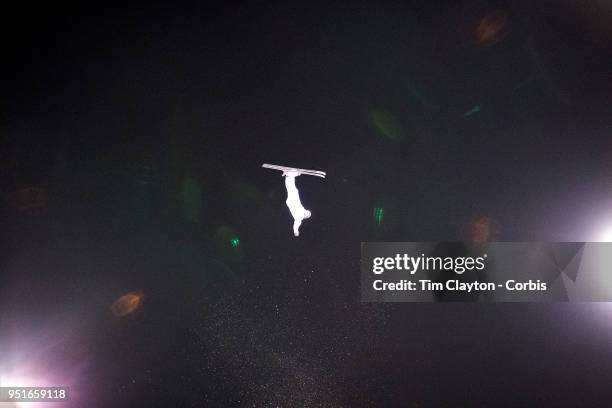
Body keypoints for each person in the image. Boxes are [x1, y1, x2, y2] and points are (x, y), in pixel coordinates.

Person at [283, 170, 311, 236]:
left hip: (292, 202)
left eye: (307, 213)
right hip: (293, 201)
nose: (307, 211)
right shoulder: (303, 211)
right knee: (292, 190)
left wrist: (296, 231)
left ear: (306, 216)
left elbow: (296, 224)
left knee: (292, 190)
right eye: (308, 211)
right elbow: (306, 211)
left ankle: (291, 175)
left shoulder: (299, 218)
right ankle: (288, 176)